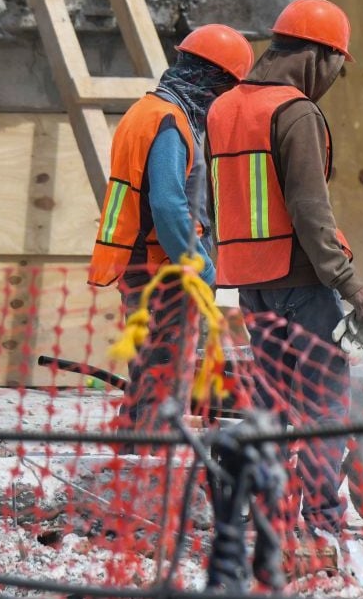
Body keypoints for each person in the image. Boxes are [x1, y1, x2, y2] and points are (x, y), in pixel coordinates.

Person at [207, 0, 363, 554]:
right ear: (318, 55)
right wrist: (348, 283)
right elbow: (311, 210)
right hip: (302, 282)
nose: (336, 76)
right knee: (326, 406)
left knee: (276, 405)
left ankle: (262, 507)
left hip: (251, 284)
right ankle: (324, 525)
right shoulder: (296, 112)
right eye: (338, 64)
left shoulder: (222, 108)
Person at [89, 24, 254, 431]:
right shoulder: (168, 122)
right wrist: (202, 268)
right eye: (227, 90)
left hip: (143, 266)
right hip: (164, 272)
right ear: (212, 81)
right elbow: (167, 207)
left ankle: (137, 444)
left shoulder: (146, 112)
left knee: (150, 375)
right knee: (164, 377)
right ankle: (149, 463)